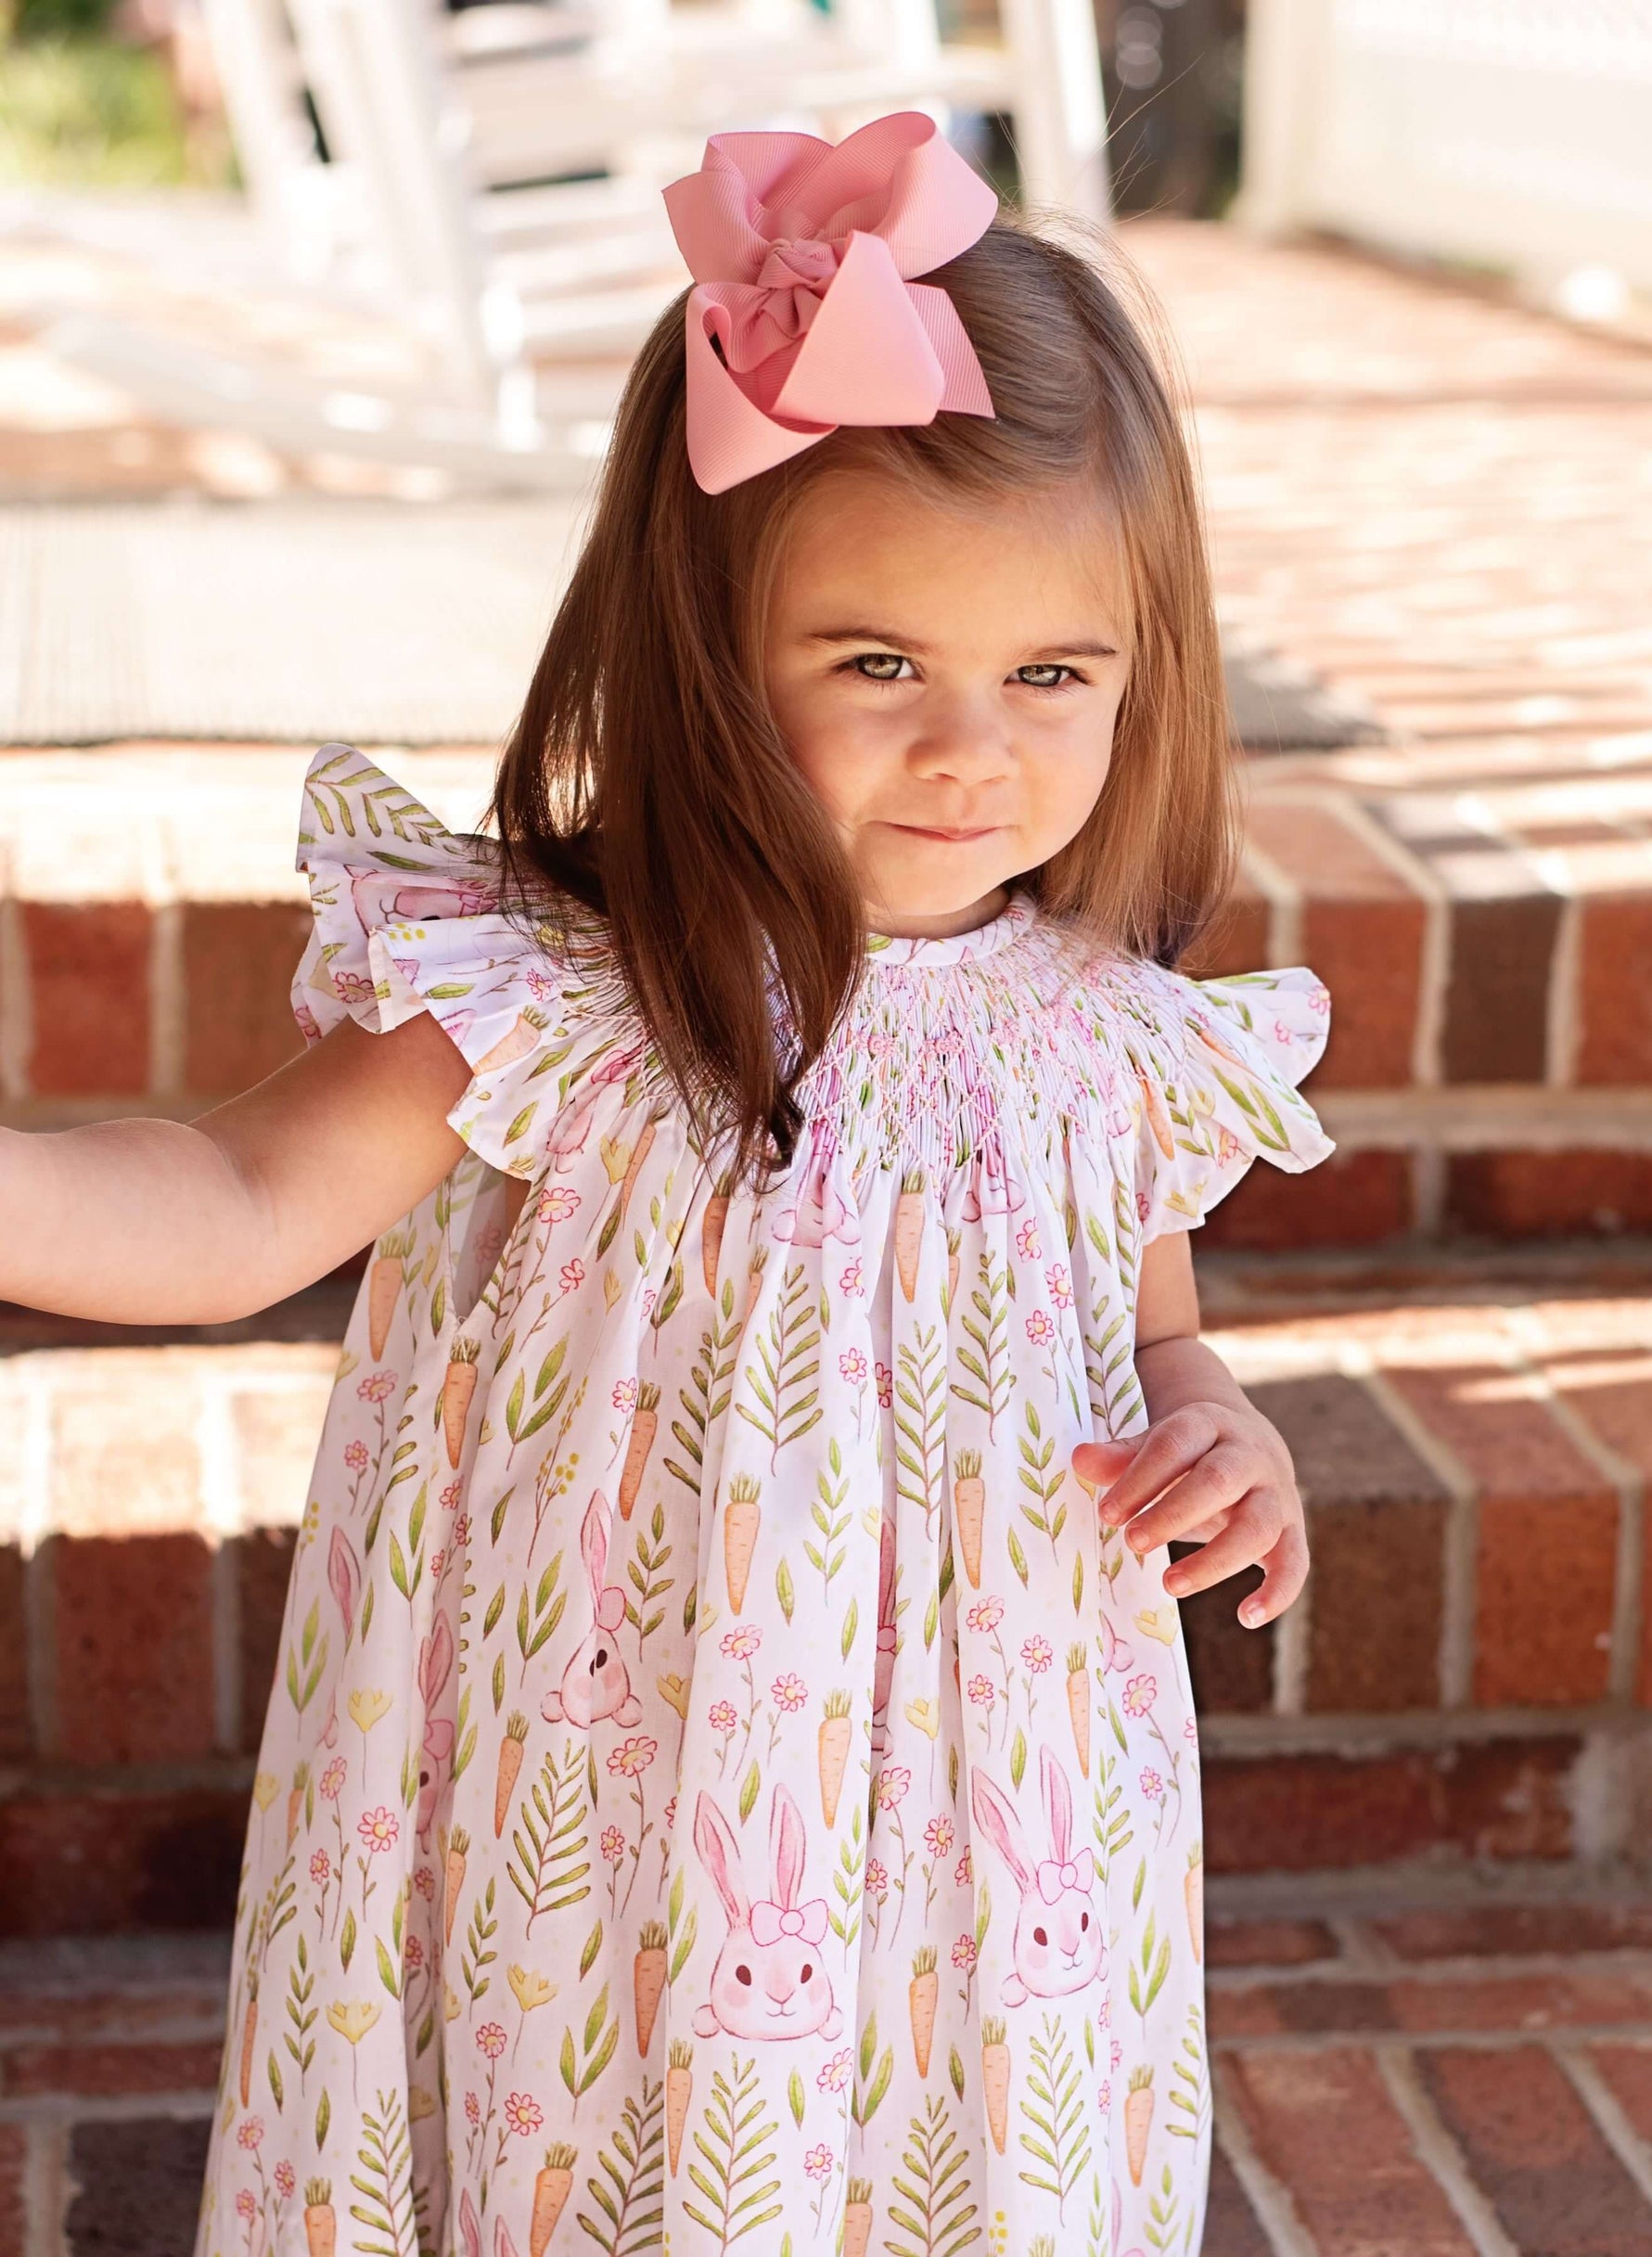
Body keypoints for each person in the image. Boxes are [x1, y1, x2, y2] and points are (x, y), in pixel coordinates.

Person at [1, 112, 1331, 2257]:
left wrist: (1217, 1420)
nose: (969, 747)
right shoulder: (569, 992)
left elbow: (1151, 1320)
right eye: (878, 666)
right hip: (626, 1816)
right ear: (711, 649)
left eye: (1050, 676)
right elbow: (237, 1202)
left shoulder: (1109, 1036)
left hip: (994, 1835)